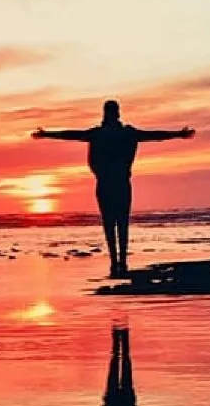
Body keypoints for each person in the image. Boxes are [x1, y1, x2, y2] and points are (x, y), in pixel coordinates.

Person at [33, 100, 195, 277]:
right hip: (117, 182)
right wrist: (178, 134)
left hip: (109, 182)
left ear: (106, 113)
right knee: (119, 222)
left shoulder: (105, 134)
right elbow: (154, 135)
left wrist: (47, 134)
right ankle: (120, 261)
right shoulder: (122, 133)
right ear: (117, 113)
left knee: (111, 223)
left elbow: (71, 134)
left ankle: (116, 261)